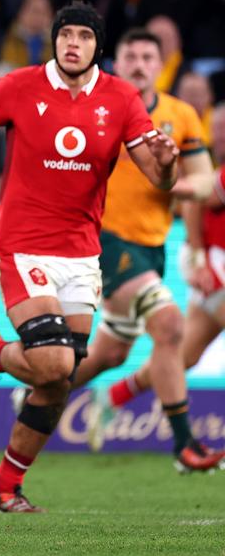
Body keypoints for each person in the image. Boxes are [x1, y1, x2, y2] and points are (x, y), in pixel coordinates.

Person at [0, 1, 180, 513]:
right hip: (23, 243)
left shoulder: (122, 98)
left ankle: (4, 487)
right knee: (53, 361)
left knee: (58, 379)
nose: (73, 43)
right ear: (54, 41)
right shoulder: (20, 86)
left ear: (96, 48)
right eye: (66, 34)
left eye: (84, 37)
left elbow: (159, 180)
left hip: (83, 252)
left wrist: (169, 165)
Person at [58, 28, 223, 472]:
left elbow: (206, 182)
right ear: (117, 61)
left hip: (152, 246)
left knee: (110, 354)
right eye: (130, 55)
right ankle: (185, 446)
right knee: (169, 325)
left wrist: (173, 180)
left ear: (160, 62)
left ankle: (40, 390)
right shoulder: (97, 106)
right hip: (103, 238)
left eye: (148, 56)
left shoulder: (182, 115)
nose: (138, 63)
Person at [84, 102, 225, 469]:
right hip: (215, 267)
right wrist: (198, 256)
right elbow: (197, 199)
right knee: (168, 340)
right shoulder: (218, 173)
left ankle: (112, 395)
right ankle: (185, 446)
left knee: (179, 358)